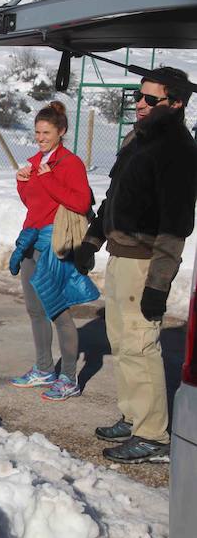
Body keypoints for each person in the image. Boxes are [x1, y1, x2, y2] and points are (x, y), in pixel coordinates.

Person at [75, 67, 197, 464]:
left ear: (176, 103)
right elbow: (114, 196)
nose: (140, 104)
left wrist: (158, 285)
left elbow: (176, 226)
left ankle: (153, 435)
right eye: (137, 97)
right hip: (121, 255)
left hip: (145, 263)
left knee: (140, 344)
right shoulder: (139, 139)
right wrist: (93, 240)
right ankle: (132, 415)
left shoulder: (177, 150)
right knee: (122, 341)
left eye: (150, 99)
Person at [8, 101, 99, 401]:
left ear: (61, 131)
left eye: (46, 132)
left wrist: (47, 178)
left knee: (58, 312)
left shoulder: (70, 163)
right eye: (37, 132)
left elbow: (81, 202)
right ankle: (44, 368)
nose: (40, 137)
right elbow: (36, 205)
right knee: (35, 311)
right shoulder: (36, 161)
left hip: (55, 245)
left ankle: (69, 377)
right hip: (31, 242)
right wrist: (23, 184)